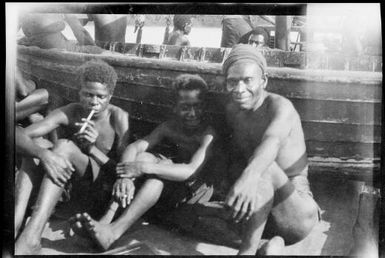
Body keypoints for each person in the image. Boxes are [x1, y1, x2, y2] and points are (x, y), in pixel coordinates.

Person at [69, 74, 226, 251]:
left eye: (197, 106)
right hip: (172, 183)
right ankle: (105, 221)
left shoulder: (207, 134)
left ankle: (113, 232)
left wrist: (143, 167)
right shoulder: (169, 127)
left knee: (155, 171)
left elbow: (191, 171)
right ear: (174, 108)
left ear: (204, 106)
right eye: (185, 107)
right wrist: (124, 178)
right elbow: (135, 147)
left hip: (194, 189)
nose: (192, 113)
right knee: (144, 157)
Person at [14, 60, 130, 255]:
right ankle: (15, 223)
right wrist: (43, 155)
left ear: (110, 96)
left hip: (101, 193)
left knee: (64, 146)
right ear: (79, 92)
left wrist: (92, 149)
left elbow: (122, 171)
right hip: (73, 186)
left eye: (101, 97)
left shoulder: (118, 117)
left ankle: (31, 238)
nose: (94, 102)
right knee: (39, 146)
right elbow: (18, 133)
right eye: (88, 94)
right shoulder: (72, 111)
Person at [220, 44, 319, 255]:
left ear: (263, 81)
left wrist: (249, 177)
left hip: (296, 212)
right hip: (260, 213)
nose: (239, 89)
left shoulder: (280, 107)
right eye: (232, 82)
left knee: (264, 165)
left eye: (247, 80)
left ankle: (246, 252)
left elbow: (271, 142)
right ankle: (275, 244)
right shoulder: (232, 109)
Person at [18, 13, 103, 54]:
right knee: (92, 50)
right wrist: (92, 47)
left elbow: (16, 23)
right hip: (52, 41)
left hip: (31, 38)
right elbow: (79, 30)